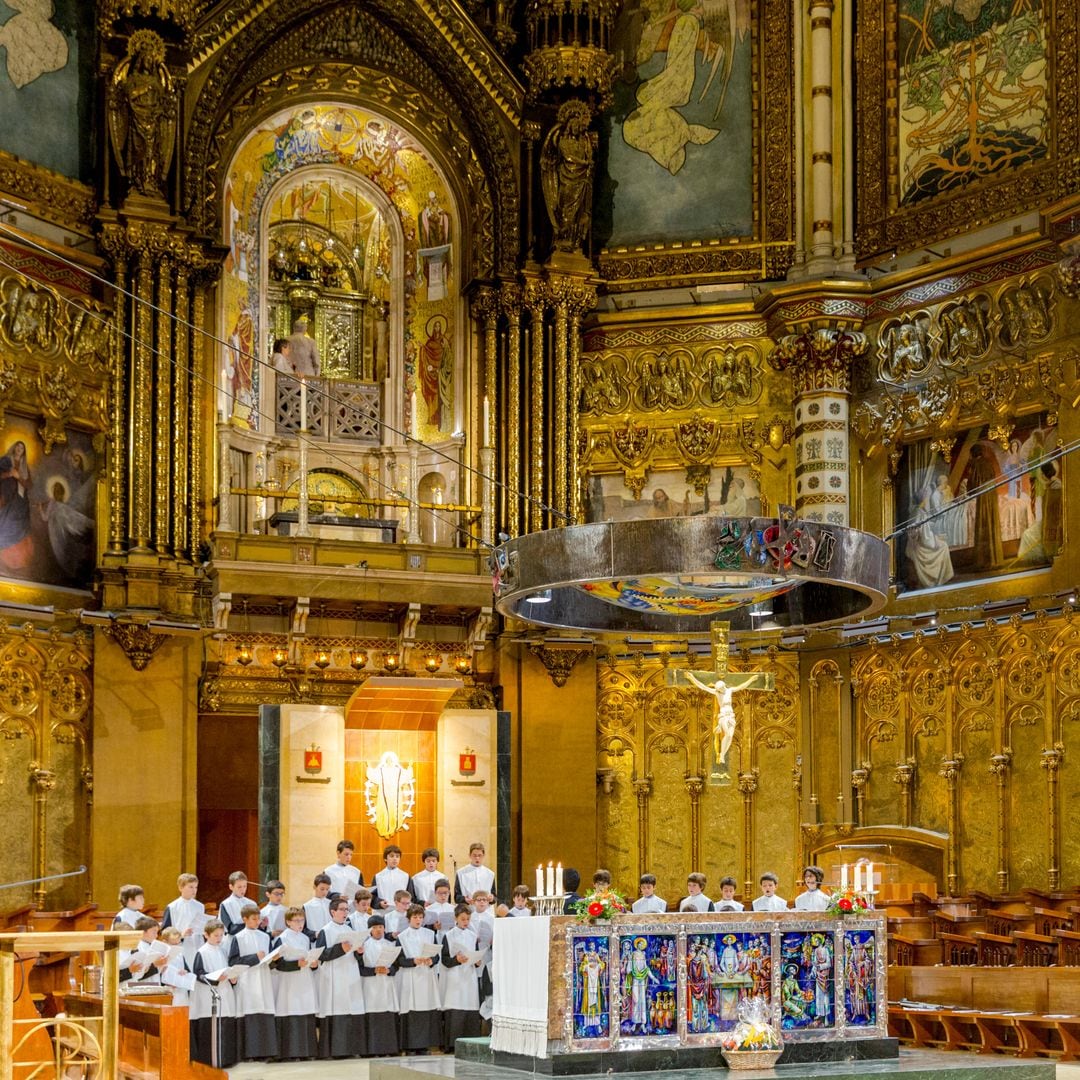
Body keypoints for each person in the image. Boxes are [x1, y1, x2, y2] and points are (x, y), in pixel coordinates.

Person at [314, 897, 367, 1059]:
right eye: (342, 909)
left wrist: (359, 953)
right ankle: (332, 1051)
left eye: (347, 910)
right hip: (333, 976)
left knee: (352, 1009)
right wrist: (340, 948)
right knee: (335, 1009)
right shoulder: (325, 930)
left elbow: (357, 955)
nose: (345, 913)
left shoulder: (351, 930)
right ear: (333, 912)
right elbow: (321, 955)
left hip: (350, 974)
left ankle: (351, 1049)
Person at [229, 904, 279, 1062]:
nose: (257, 921)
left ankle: (265, 1052)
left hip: (263, 977)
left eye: (259, 918)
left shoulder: (265, 937)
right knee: (249, 1012)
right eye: (254, 919)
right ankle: (249, 1054)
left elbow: (269, 959)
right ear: (245, 919)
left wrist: (274, 960)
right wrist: (255, 957)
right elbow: (233, 961)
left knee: (264, 1011)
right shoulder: (238, 937)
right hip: (247, 979)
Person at [269, 906, 319, 1060]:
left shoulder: (305, 938)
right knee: (291, 1011)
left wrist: (313, 963)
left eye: (302, 920)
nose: (300, 923)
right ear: (288, 922)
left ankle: (307, 1051)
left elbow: (308, 956)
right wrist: (296, 964)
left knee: (305, 1010)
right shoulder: (282, 939)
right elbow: (276, 963)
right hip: (288, 981)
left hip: (304, 979)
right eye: (296, 920)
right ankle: (290, 1052)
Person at [190, 919, 239, 1068]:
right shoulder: (201, 952)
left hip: (224, 991)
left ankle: (225, 1059)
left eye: (221, 935)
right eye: (216, 935)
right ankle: (209, 1061)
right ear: (206, 935)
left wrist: (232, 977)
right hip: (207, 995)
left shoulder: (222, 950)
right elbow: (199, 974)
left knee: (225, 1024)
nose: (219, 938)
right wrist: (216, 978)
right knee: (210, 1028)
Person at [398, 903, 443, 1051]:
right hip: (411, 976)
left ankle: (424, 1045)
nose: (418, 920)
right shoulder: (402, 937)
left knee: (426, 1010)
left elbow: (437, 955)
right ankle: (410, 1046)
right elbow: (400, 960)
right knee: (411, 1010)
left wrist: (431, 960)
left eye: (420, 917)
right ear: (409, 919)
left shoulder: (430, 934)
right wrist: (413, 961)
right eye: (415, 917)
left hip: (426, 976)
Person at [441, 904, 483, 1050]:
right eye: (463, 919)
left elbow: (476, 955)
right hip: (455, 976)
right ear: (456, 919)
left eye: (468, 919)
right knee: (456, 1007)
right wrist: (456, 960)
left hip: (469, 975)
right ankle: (452, 1045)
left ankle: (470, 1044)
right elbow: (445, 959)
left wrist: (477, 961)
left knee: (470, 1005)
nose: (465, 922)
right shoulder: (448, 935)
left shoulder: (472, 936)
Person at [359, 915, 401, 1055]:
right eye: (375, 927)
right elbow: (360, 968)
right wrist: (374, 970)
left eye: (381, 927)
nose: (378, 930)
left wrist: (389, 970)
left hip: (387, 984)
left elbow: (396, 966)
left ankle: (389, 1049)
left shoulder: (390, 945)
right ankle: (373, 1050)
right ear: (370, 930)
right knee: (373, 1016)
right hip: (371, 986)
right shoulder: (363, 946)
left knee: (387, 1016)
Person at [161, 872, 206, 969]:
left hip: (197, 943)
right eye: (191, 887)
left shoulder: (200, 906)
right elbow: (165, 931)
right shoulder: (172, 907)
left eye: (196, 887)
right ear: (181, 887)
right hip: (180, 946)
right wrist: (181, 934)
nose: (194, 890)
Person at [119, 915, 169, 985]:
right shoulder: (137, 948)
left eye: (157, 932)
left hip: (153, 984)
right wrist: (155, 966)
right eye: (154, 932)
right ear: (143, 932)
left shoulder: (152, 946)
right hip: (141, 985)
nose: (156, 935)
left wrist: (160, 968)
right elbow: (138, 974)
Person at [470, 892, 495, 1021]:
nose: (481, 902)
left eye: (484, 900)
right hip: (473, 955)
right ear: (473, 902)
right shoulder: (470, 917)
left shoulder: (492, 918)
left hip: (487, 954)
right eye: (479, 900)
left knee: (485, 985)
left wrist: (492, 940)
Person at [324, 840, 363, 907]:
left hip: (353, 910)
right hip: (335, 909)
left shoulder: (357, 872)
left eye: (351, 855)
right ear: (338, 853)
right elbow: (324, 893)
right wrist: (338, 896)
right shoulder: (328, 871)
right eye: (346, 854)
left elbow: (361, 892)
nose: (349, 857)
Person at [373, 844, 412, 910]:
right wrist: (380, 903)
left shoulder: (406, 876)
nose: (395, 859)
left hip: (401, 911)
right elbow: (373, 896)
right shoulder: (378, 876)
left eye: (397, 856)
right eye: (391, 856)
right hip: (383, 911)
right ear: (385, 858)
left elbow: (411, 896)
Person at [218, 870, 250, 935]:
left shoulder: (252, 903)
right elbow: (230, 928)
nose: (243, 889)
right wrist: (250, 924)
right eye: (239, 887)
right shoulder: (225, 904)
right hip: (232, 941)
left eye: (245, 886)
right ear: (231, 887)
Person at [302, 873, 332, 940]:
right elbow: (303, 929)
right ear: (314, 887)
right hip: (315, 943)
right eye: (322, 889)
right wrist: (314, 934)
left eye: (327, 889)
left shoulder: (331, 904)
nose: (325, 892)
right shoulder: (307, 906)